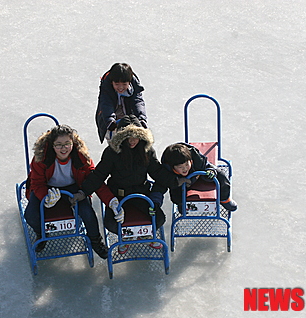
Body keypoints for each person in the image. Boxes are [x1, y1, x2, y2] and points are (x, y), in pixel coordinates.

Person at [78, 115, 188, 254]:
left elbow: (158, 172)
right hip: (119, 195)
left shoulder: (147, 151)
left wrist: (176, 181)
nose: (132, 141)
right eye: (127, 137)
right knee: (111, 223)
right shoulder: (112, 153)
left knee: (158, 218)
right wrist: (83, 191)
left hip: (141, 194)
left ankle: (144, 233)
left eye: (135, 136)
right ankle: (126, 236)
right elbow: (99, 175)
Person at [23, 125, 114, 258]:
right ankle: (41, 233)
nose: (63, 148)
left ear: (73, 143)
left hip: (73, 188)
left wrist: (111, 200)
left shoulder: (81, 157)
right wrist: (45, 197)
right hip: (47, 188)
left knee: (87, 213)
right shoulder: (41, 158)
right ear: (52, 145)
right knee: (30, 215)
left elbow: (95, 181)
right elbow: (37, 183)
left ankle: (96, 241)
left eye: (67, 144)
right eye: (58, 145)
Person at [156, 142, 238, 212]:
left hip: (196, 174)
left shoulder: (197, 160)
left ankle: (224, 199)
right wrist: (155, 203)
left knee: (221, 175)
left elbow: (207, 166)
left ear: (191, 161)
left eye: (186, 165)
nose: (184, 169)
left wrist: (211, 172)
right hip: (180, 181)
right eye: (180, 167)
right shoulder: (167, 172)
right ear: (172, 167)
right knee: (175, 190)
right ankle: (181, 203)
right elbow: (159, 186)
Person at [95, 63, 148, 143]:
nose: (120, 87)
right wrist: (110, 121)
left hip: (128, 118)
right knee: (114, 143)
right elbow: (106, 104)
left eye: (124, 84)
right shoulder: (106, 89)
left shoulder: (134, 88)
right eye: (117, 84)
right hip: (111, 121)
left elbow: (138, 102)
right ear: (111, 82)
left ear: (129, 82)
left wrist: (141, 118)